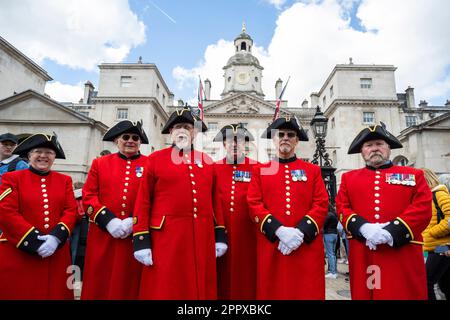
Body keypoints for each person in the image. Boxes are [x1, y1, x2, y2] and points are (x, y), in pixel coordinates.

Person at [132, 107, 227, 299]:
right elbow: (143, 201)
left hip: (201, 236)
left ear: (194, 133)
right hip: (167, 237)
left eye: (187, 127)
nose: (182, 131)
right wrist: (141, 239)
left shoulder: (207, 161)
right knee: (166, 286)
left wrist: (219, 234)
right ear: (170, 132)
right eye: (177, 127)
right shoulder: (155, 159)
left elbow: (215, 201)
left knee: (199, 287)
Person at [336, 123, 432, 300]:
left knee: (403, 293)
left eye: (379, 143)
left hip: (401, 251)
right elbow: (342, 207)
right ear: (362, 151)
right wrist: (364, 228)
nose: (374, 149)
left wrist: (390, 232)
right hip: (364, 250)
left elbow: (423, 208)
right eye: (369, 145)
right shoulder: (349, 178)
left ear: (389, 147)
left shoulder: (414, 175)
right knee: (367, 294)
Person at [247, 117, 329, 299]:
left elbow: (321, 203)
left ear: (297, 140)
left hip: (305, 244)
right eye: (280, 135)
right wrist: (279, 231)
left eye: (290, 135)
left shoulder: (312, 170)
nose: (285, 138)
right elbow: (254, 203)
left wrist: (300, 233)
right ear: (274, 140)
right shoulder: (260, 170)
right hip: (273, 244)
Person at [0, 133, 78, 299]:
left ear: (54, 157)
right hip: (19, 250)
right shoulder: (12, 178)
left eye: (49, 152)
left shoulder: (64, 180)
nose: (43, 156)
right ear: (29, 155)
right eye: (38, 151)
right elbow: (6, 211)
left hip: (56, 252)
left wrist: (56, 237)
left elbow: (71, 210)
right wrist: (32, 240)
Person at [81, 120, 149, 299]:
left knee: (130, 282)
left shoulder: (150, 164)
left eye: (136, 138)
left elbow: (156, 198)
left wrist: (133, 221)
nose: (131, 141)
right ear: (116, 141)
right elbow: (88, 196)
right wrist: (108, 221)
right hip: (103, 234)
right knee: (99, 280)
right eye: (125, 137)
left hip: (135, 236)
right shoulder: (100, 163)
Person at [213, 123, 258, 299]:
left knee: (246, 277)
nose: (234, 144)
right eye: (229, 140)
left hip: (248, 234)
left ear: (244, 144)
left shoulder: (258, 168)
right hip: (220, 233)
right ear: (224, 144)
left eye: (238, 140)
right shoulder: (213, 168)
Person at [421, 167, 450, 300]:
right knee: (445, 285)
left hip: (441, 246)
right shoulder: (429, 196)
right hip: (437, 246)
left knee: (426, 283)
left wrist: (432, 233)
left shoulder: (438, 193)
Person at [323, 204, 339, 279]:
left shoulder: (328, 215)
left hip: (328, 234)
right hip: (335, 234)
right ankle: (334, 271)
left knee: (330, 254)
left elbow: (324, 224)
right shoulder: (335, 215)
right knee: (333, 253)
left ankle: (332, 272)